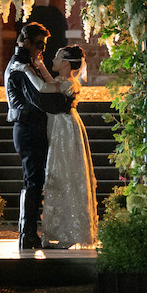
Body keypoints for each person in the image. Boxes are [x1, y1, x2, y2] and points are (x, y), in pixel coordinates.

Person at [5, 23, 73, 250]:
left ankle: (28, 233)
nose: (42, 50)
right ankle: (27, 235)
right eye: (39, 44)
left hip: (30, 127)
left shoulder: (26, 64)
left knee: (34, 181)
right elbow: (40, 98)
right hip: (27, 127)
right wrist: (66, 102)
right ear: (27, 42)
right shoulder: (20, 66)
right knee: (33, 182)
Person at [41, 45, 98, 249]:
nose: (52, 60)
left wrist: (35, 69)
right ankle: (59, 230)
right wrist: (40, 66)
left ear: (65, 62)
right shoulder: (62, 82)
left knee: (65, 172)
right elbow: (50, 83)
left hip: (65, 129)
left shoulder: (68, 84)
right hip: (60, 126)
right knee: (58, 172)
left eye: (56, 57)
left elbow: (46, 86)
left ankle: (69, 231)